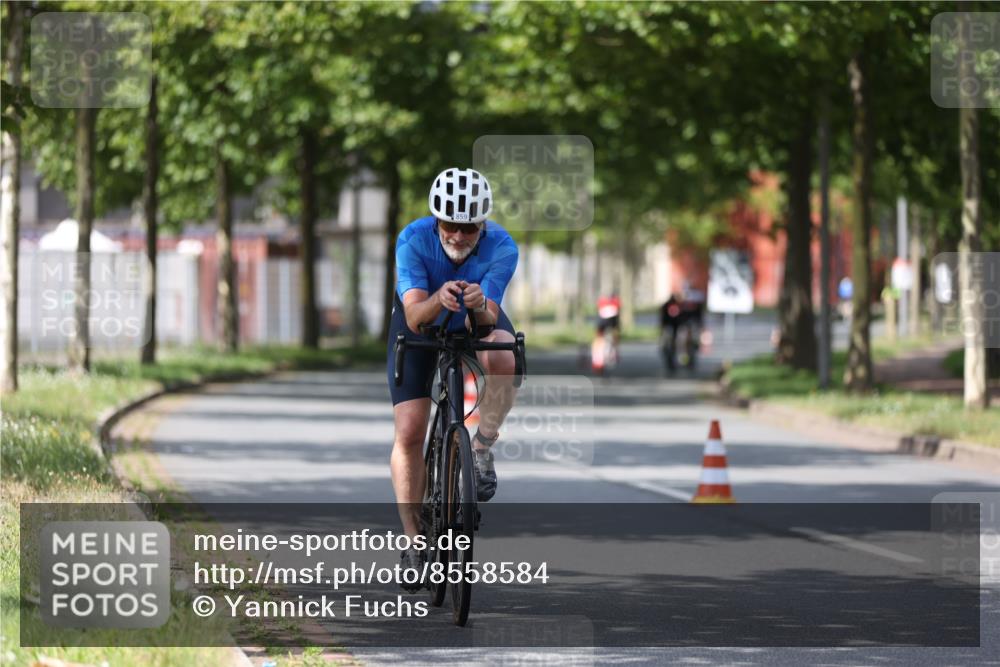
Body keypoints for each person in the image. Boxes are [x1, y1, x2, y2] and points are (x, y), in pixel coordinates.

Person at [386, 167, 520, 592]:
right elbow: (412, 315)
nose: (458, 236)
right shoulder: (412, 239)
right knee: (409, 431)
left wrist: (479, 306)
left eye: (468, 228)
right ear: (435, 220)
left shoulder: (502, 246)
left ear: (482, 226)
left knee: (504, 355)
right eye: (450, 225)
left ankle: (481, 448)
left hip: (476, 316)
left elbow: (490, 321)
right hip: (420, 320)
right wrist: (437, 298)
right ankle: (412, 543)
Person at [659, 294, 682, 375]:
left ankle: (670, 357)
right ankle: (669, 356)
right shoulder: (675, 305)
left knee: (671, 344)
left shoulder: (669, 305)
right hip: (670, 328)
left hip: (671, 328)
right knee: (669, 344)